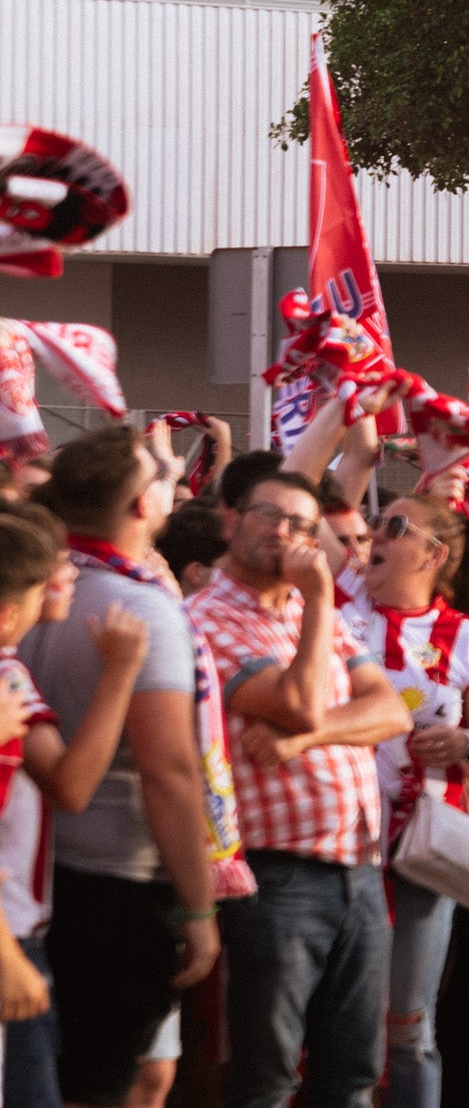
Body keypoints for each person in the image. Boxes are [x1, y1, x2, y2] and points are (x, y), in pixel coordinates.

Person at [188, 469, 413, 1108]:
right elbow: (300, 703)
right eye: (271, 516)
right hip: (277, 876)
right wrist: (317, 600)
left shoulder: (316, 615)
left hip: (358, 866)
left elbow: (391, 711)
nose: (285, 534)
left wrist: (298, 742)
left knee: (353, 1074)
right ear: (231, 520)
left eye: (302, 525)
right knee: (268, 1077)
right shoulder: (206, 618)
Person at [23, 429, 226, 1108]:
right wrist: (198, 906)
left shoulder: (41, 586)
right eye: (160, 473)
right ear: (143, 505)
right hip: (117, 887)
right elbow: (169, 770)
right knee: (94, 1087)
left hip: (41, 874)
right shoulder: (137, 609)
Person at [340, 494, 469, 1108]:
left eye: (394, 526)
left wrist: (467, 744)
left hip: (423, 856)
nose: (374, 536)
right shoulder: (341, 611)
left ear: (433, 555)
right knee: (337, 1021)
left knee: (409, 1029)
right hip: (338, 847)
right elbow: (326, 486)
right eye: (377, 523)